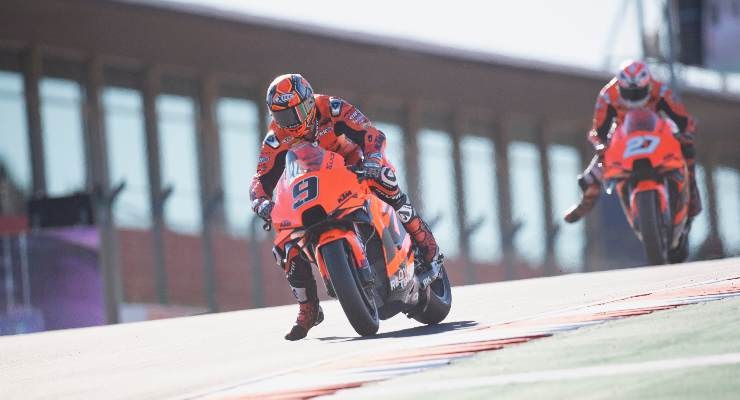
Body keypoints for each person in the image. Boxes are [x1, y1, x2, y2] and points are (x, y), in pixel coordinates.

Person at [250, 73, 444, 340]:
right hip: (313, 193)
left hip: (355, 171)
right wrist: (259, 201)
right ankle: (309, 308)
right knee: (284, 242)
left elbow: (371, 134)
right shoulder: (276, 138)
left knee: (386, 182)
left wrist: (374, 159)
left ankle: (426, 244)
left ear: (309, 102)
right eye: (284, 116)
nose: (292, 122)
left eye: (297, 112)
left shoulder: (332, 108)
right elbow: (261, 178)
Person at [564, 60, 702, 223]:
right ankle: (585, 204)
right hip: (623, 138)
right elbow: (598, 131)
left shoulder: (661, 90)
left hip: (658, 132)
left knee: (687, 147)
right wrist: (600, 146)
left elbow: (683, 120)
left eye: (639, 91)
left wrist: (685, 133)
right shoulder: (608, 96)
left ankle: (692, 193)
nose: (634, 97)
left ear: (648, 85)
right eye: (629, 92)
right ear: (620, 87)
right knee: (590, 177)